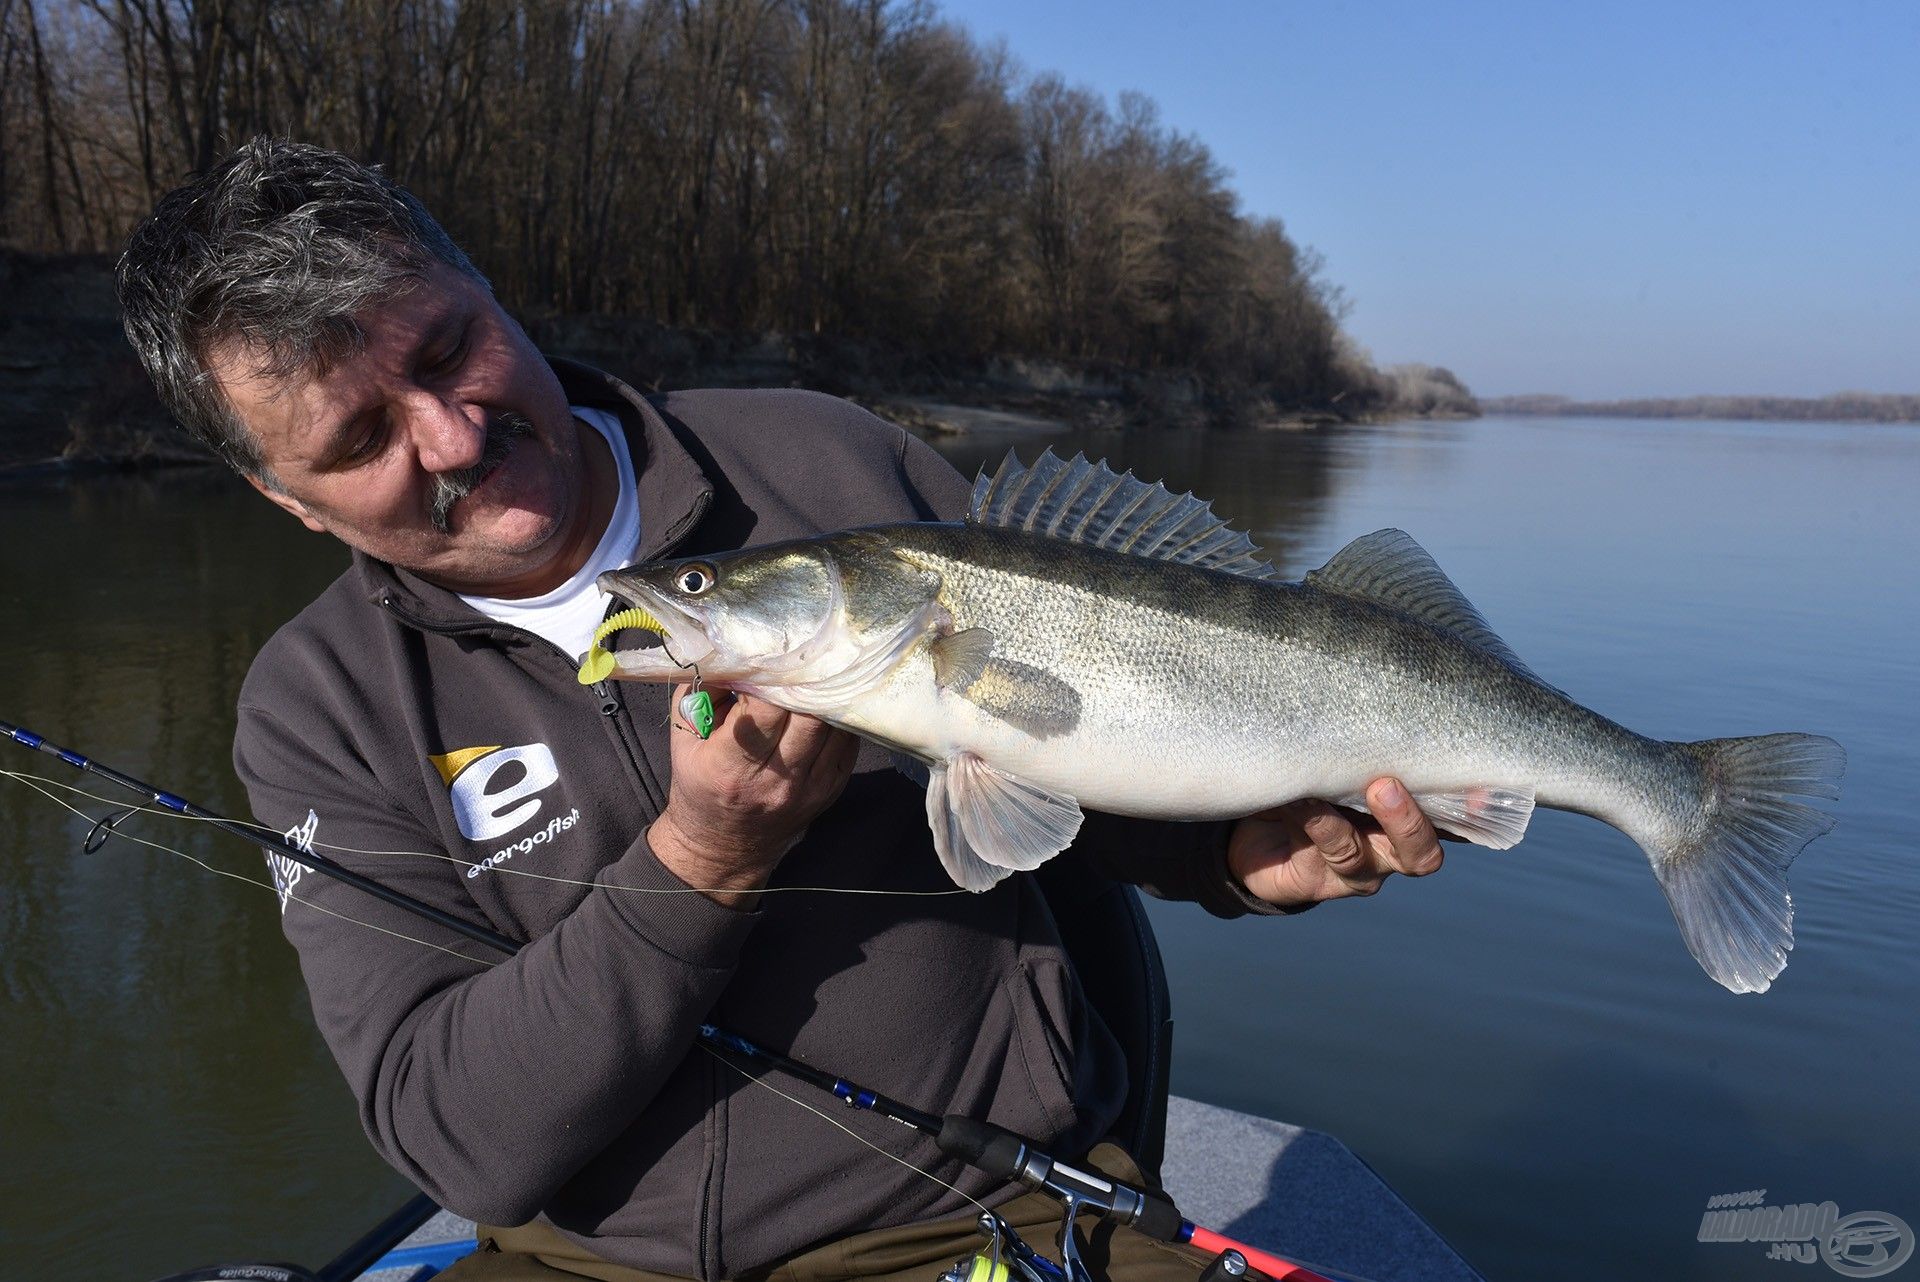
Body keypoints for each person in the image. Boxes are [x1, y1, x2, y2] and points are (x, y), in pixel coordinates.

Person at [115, 138, 1447, 1282]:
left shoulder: (825, 462)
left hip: (981, 1216)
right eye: (359, 440)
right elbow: (456, 1139)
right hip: (589, 1263)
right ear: (288, 502)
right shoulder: (319, 705)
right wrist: (701, 867)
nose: (454, 437)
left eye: (451, 348)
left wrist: (1228, 857)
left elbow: (1074, 744)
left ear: (492, 293)